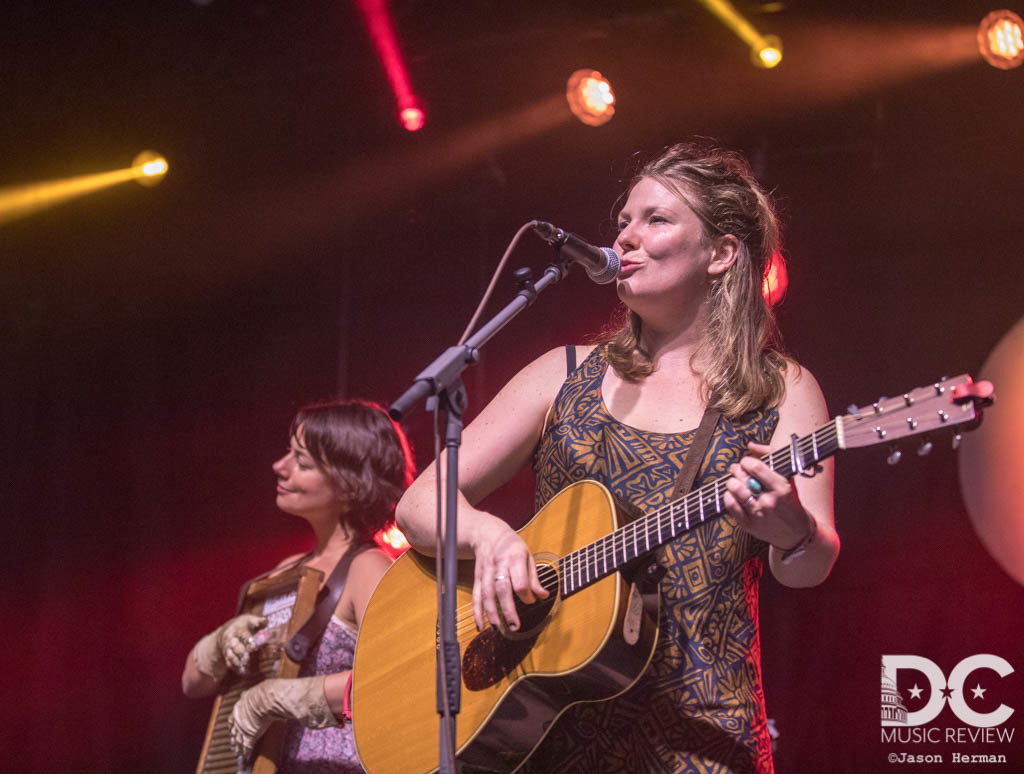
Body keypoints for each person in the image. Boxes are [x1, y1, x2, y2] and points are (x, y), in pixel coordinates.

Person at [395, 140, 840, 773]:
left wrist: (792, 529)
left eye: (656, 220)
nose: (626, 237)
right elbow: (417, 503)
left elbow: (809, 566)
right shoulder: (563, 375)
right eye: (624, 221)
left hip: (701, 737)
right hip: (542, 735)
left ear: (721, 253)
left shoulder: (782, 390)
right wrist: (488, 535)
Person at [182, 399, 414, 773]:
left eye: (302, 462)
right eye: (288, 453)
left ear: (350, 485)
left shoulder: (368, 568)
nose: (280, 466)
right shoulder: (285, 573)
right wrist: (219, 644)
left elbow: (401, 678)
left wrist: (287, 696)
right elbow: (192, 684)